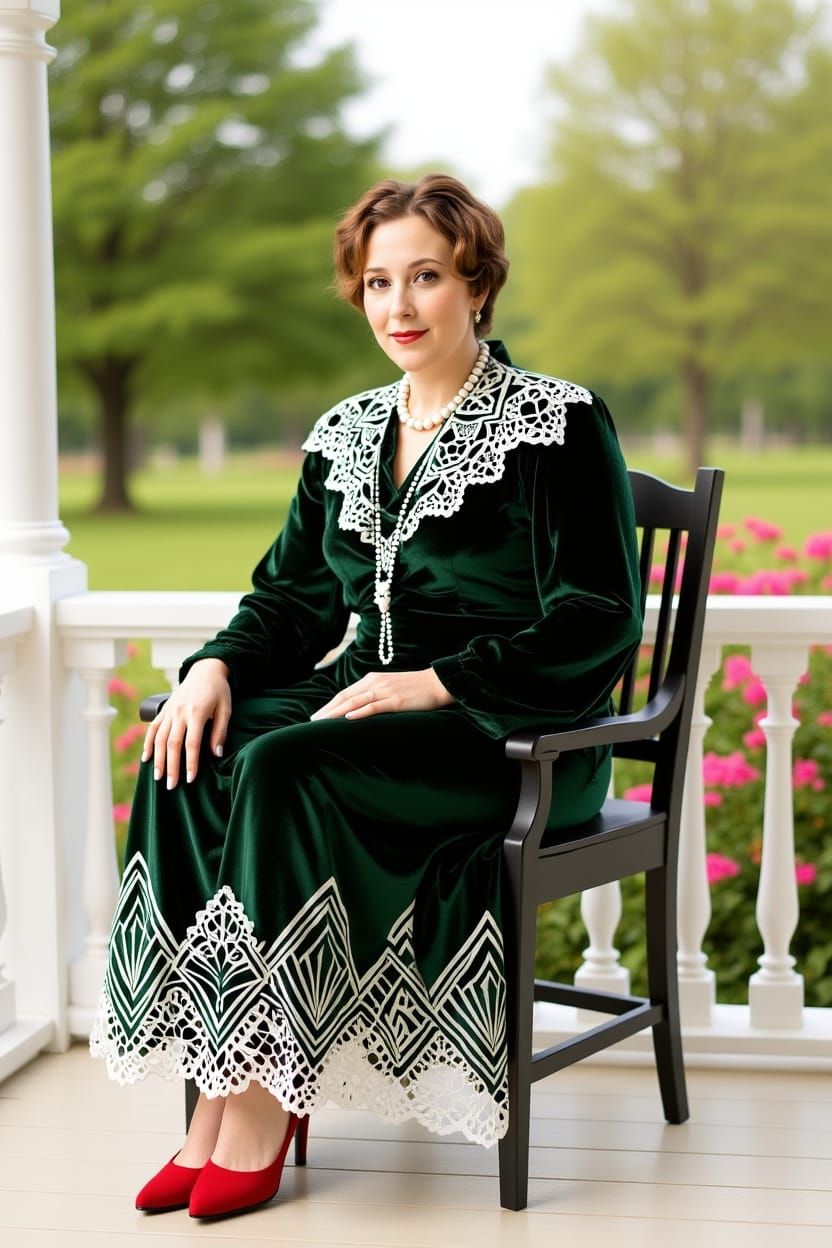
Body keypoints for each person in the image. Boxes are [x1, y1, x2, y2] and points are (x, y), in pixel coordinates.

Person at [90, 174, 642, 1219]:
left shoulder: (558, 424)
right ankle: (222, 1088)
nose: (398, 305)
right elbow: (292, 601)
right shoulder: (345, 433)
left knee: (282, 762)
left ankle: (250, 1106)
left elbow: (598, 614)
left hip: (508, 737)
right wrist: (212, 666)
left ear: (476, 282)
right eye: (378, 281)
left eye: (425, 277)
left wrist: (438, 681)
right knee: (186, 744)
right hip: (365, 712)